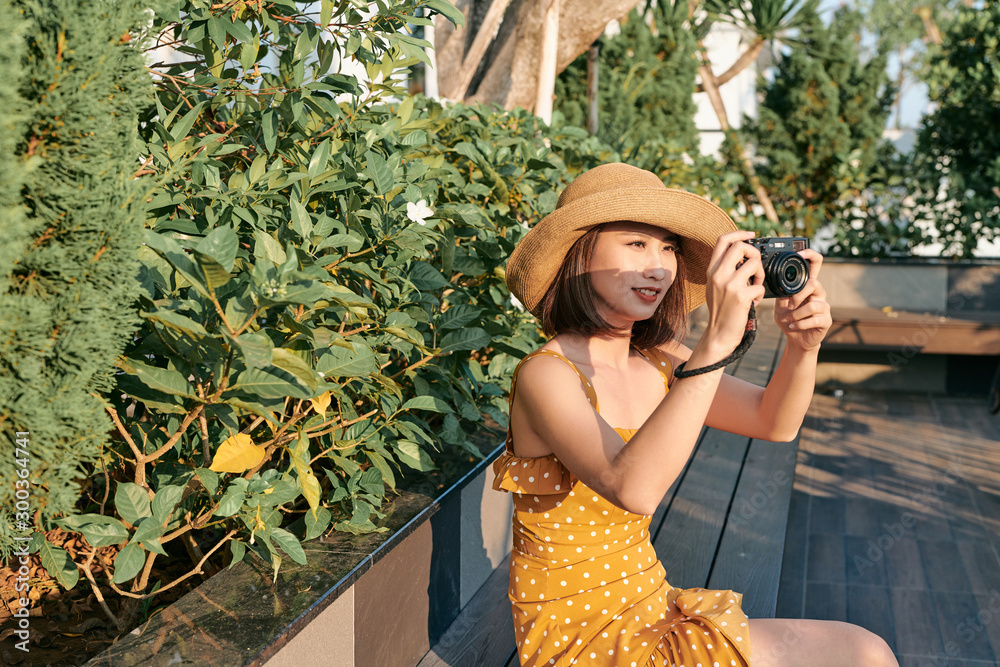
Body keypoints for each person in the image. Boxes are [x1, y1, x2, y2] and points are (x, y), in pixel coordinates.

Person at [492, 163, 898, 667]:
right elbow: (632, 488)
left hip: (651, 608)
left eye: (668, 248)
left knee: (864, 652)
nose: (660, 266)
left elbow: (774, 421)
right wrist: (717, 342)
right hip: (583, 641)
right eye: (636, 244)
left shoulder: (659, 356)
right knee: (863, 656)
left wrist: (803, 347)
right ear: (580, 256)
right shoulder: (545, 374)